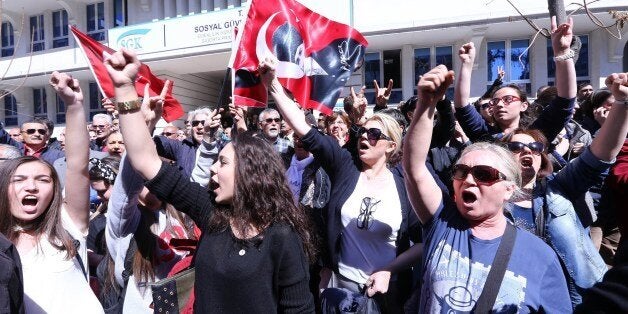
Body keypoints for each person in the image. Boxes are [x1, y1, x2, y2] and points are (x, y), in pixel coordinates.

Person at [104, 48, 315, 313]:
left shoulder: (282, 236)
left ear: (251, 174)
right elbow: (144, 160)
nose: (213, 168)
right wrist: (124, 88)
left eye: (223, 162)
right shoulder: (210, 212)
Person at [404, 64, 571, 312]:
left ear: (508, 188)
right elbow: (414, 166)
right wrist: (426, 104)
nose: (469, 181)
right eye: (461, 172)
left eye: (484, 174)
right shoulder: (443, 223)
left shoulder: (541, 257)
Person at [259, 57, 421, 312]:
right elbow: (305, 130)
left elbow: (423, 242)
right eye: (364, 131)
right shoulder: (346, 167)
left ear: (391, 146)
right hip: (342, 292)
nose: (365, 137)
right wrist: (273, 85)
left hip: (386, 296)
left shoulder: (404, 184)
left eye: (375, 134)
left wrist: (389, 271)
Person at [0, 71, 103, 313]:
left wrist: (74, 105)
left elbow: (77, 164)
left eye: (43, 179)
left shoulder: (67, 223)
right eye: (20, 179)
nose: (32, 186)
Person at [454, 17, 576, 144]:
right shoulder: (484, 135)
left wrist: (562, 52)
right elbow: (462, 107)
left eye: (508, 99)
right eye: (494, 101)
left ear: (523, 106)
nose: (499, 105)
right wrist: (466, 65)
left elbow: (565, 101)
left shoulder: (538, 133)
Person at [0, 118, 64, 165]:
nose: (37, 134)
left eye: (41, 132)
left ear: (47, 136)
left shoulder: (59, 156)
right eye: (31, 131)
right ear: (21, 135)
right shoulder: (15, 148)